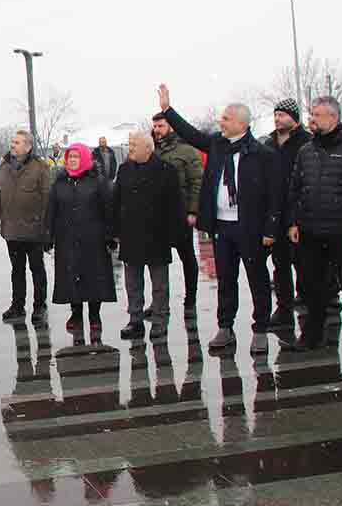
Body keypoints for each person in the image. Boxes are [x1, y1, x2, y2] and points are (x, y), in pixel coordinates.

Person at [157, 84, 282, 355]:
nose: (220, 122)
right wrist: (168, 110)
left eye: (225, 118)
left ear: (240, 123)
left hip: (250, 228)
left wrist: (271, 227)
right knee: (226, 279)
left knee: (257, 279)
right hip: (222, 227)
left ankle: (260, 329)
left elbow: (275, 195)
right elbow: (190, 133)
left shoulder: (263, 155)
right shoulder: (217, 145)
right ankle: (225, 327)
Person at [279, 97, 342, 356]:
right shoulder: (306, 150)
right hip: (310, 230)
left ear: (334, 118)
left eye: (317, 115)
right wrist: (294, 221)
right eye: (312, 114)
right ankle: (312, 334)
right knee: (311, 285)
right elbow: (295, 188)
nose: (312, 119)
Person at [113, 132, 185, 341]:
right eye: (129, 144)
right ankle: (135, 320)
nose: (130, 148)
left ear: (148, 148)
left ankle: (160, 319)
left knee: (159, 284)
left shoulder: (166, 170)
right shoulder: (124, 169)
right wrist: (115, 230)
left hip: (157, 235)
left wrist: (175, 235)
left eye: (134, 145)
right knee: (132, 283)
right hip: (131, 235)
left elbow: (175, 205)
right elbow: (116, 201)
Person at [45, 142, 117, 334]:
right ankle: (76, 314)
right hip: (67, 238)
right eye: (70, 158)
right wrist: (48, 235)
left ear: (85, 159)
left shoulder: (98, 181)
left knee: (95, 277)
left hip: (94, 238)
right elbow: (51, 210)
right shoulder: (59, 183)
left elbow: (108, 209)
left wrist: (111, 235)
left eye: (76, 157)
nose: (73, 161)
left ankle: (95, 315)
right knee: (71, 277)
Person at [0, 130, 54, 323]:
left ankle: (39, 306)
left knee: (37, 269)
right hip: (12, 229)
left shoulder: (40, 167)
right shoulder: (4, 167)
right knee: (16, 270)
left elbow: (47, 199)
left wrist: (47, 229)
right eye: (12, 142)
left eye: (17, 142)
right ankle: (17, 306)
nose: (13, 145)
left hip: (34, 229)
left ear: (28, 146)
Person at [263, 98, 312, 330]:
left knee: (304, 264)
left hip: (300, 213)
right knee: (280, 264)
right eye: (275, 115)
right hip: (275, 213)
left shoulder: (306, 142)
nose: (277, 118)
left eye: (282, 115)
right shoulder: (269, 143)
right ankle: (283, 309)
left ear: (294, 118)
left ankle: (311, 306)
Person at [151, 112, 204, 316]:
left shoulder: (186, 151)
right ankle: (159, 302)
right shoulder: (151, 151)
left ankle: (190, 299)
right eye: (155, 126)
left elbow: (196, 182)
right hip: (157, 216)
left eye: (161, 126)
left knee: (187, 257)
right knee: (157, 262)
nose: (157, 130)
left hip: (180, 213)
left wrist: (193, 210)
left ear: (171, 127)